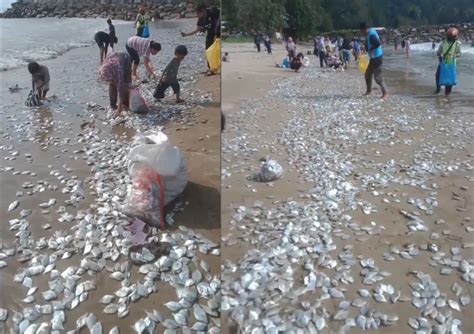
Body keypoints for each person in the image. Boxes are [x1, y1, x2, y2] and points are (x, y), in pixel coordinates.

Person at [181, 5, 219, 72]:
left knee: (217, 51)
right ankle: (210, 68)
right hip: (210, 35)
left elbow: (219, 21)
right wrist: (186, 34)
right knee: (208, 51)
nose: (197, 15)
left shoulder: (212, 12)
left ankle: (216, 67)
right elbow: (197, 30)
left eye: (198, 13)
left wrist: (217, 35)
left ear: (203, 11)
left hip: (218, 34)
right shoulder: (201, 19)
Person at [98, 52, 132, 117]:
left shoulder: (118, 72)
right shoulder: (102, 69)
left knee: (126, 84)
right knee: (112, 85)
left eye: (110, 79)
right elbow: (107, 77)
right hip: (115, 57)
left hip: (126, 59)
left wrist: (119, 110)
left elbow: (120, 90)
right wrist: (111, 82)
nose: (109, 81)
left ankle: (125, 103)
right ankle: (113, 104)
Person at [359, 22, 387, 99]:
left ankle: (385, 93)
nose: (361, 33)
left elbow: (378, 43)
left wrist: (370, 49)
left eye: (361, 31)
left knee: (378, 77)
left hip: (377, 58)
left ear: (365, 29)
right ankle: (368, 91)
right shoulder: (371, 32)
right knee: (367, 74)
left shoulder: (371, 34)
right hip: (373, 58)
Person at [435, 28, 461, 95]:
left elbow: (459, 53)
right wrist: (440, 55)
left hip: (451, 63)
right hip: (443, 63)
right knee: (438, 75)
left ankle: (447, 93)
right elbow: (438, 52)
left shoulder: (458, 44)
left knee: (449, 79)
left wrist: (454, 55)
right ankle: (438, 90)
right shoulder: (443, 43)